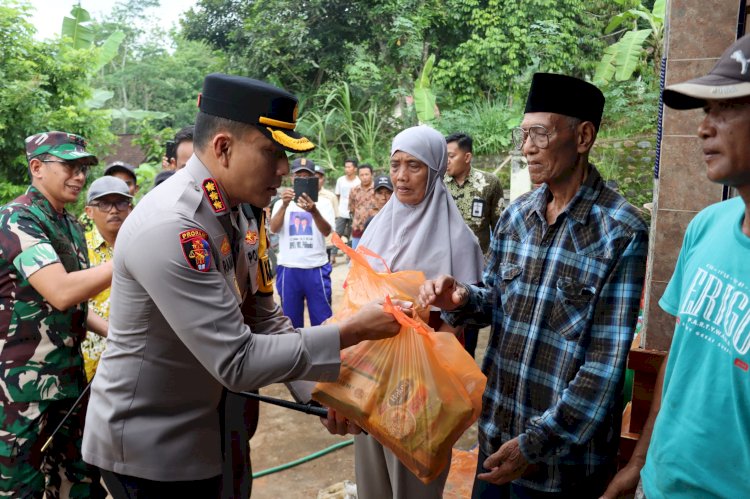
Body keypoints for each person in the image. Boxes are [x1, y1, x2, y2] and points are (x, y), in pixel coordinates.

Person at [81, 74, 400, 498]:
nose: (284, 168)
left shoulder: (242, 212)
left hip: (210, 428)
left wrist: (318, 394)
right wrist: (352, 330)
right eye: (272, 152)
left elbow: (264, 316)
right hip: (151, 450)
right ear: (223, 148)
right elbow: (236, 359)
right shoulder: (174, 227)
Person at [419, 73, 649, 498]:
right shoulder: (517, 216)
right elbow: (497, 301)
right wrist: (463, 297)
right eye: (523, 134)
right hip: (495, 437)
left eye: (539, 133)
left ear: (582, 136)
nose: (526, 148)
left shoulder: (620, 230)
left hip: (559, 465)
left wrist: (534, 443)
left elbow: (604, 365)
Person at [602, 34, 750, 499]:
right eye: (705, 112)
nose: (703, 128)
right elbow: (680, 358)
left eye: (724, 109)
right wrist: (641, 463)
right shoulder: (707, 226)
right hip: (657, 484)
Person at [352, 125, 485, 499]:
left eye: (414, 165)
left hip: (422, 386)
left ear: (436, 170)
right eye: (395, 165)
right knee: (372, 478)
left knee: (413, 483)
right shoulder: (379, 227)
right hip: (369, 377)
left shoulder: (459, 240)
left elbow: (465, 322)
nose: (401, 176)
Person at [0, 131, 113, 498]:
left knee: (79, 480)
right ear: (37, 167)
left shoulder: (69, 224)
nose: (79, 175)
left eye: (83, 167)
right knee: (22, 487)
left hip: (68, 377)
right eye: (68, 165)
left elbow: (72, 305)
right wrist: (131, 253)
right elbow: (62, 291)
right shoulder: (18, 220)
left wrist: (114, 332)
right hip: (21, 387)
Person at [444, 132, 505, 358]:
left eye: (451, 156)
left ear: (467, 156)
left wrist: (494, 267)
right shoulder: (438, 184)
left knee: (469, 326)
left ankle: (465, 368)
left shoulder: (489, 184)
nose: (446, 161)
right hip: (443, 266)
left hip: (475, 269)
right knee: (441, 325)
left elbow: (500, 228)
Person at [270, 157, 336, 328]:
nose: (303, 180)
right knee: (290, 319)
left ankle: (323, 353)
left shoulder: (324, 203)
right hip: (289, 268)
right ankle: (297, 353)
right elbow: (274, 229)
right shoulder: (281, 203)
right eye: (299, 176)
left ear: (314, 179)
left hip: (316, 267)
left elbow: (327, 231)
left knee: (323, 319)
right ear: (292, 178)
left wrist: (314, 211)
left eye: (307, 176)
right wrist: (284, 206)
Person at [81, 176, 133, 382]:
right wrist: (111, 333)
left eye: (120, 202)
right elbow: (71, 302)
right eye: (104, 203)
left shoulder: (142, 246)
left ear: (130, 208)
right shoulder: (78, 249)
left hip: (133, 359)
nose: (113, 210)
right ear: (89, 211)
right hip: (89, 361)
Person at [347, 163, 378, 249]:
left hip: (375, 228)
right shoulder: (354, 190)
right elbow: (352, 209)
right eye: (362, 175)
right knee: (357, 256)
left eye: (367, 174)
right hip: (358, 229)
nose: (364, 177)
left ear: (372, 174)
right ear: (358, 176)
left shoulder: (378, 189)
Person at [334, 157, 360, 253]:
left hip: (354, 212)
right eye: (346, 167)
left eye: (349, 167)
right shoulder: (340, 180)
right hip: (341, 211)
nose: (347, 169)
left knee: (351, 234)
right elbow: (337, 195)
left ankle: (349, 255)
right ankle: (333, 253)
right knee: (338, 232)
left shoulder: (358, 181)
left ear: (355, 169)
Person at [315, 163, 340, 265]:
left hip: (326, 241)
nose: (316, 180)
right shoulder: (301, 195)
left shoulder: (330, 196)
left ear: (323, 179)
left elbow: (335, 217)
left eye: (319, 177)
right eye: (313, 177)